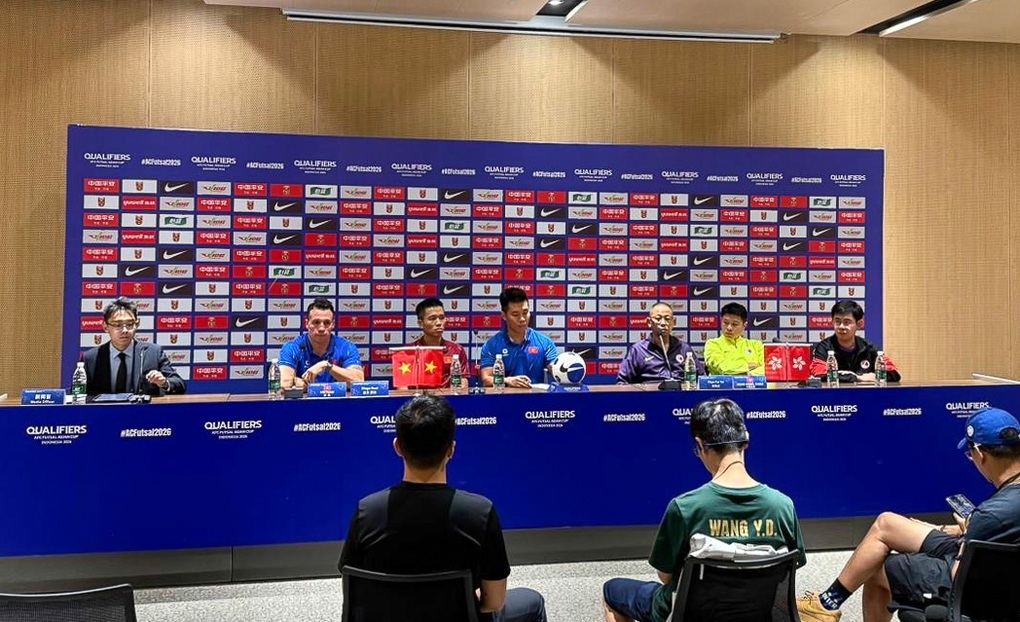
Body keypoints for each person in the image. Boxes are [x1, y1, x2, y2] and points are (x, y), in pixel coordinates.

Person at [796, 407, 1020, 622]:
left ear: (980, 453)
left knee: (874, 568)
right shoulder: (999, 509)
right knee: (887, 523)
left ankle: (828, 604)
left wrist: (969, 533)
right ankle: (826, 603)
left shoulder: (988, 516)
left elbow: (958, 574)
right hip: (987, 553)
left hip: (972, 584)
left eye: (970, 454)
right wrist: (948, 529)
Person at [338, 395, 547, 622]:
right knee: (533, 601)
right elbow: (494, 602)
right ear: (451, 449)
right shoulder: (480, 512)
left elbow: (354, 594)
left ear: (397, 447)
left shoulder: (366, 511)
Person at [603, 398, 805, 622]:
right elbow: (791, 566)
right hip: (758, 614)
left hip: (689, 614)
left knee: (611, 591)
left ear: (700, 445)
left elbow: (666, 577)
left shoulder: (684, 507)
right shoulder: (783, 506)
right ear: (746, 441)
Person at [82, 297, 186, 396]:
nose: (125, 330)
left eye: (129, 324)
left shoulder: (153, 353)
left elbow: (179, 384)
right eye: (117, 325)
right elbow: (79, 394)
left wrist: (164, 383)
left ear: (137, 324)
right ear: (105, 326)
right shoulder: (91, 358)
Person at [480, 287, 558, 388]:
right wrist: (508, 380)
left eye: (525, 313)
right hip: (505, 397)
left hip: (535, 397)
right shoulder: (492, 345)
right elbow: (486, 379)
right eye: (515, 314)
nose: (522, 319)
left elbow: (556, 369)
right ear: (504, 316)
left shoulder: (544, 343)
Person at [278, 297, 363, 388]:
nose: (321, 328)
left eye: (327, 323)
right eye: (316, 322)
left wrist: (327, 366)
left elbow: (358, 381)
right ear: (307, 324)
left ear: (333, 324)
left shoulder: (347, 347)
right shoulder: (292, 348)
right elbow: (284, 384)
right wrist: (316, 387)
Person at [809, 300, 901, 382]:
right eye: (837, 321)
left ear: (859, 324)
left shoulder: (869, 348)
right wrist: (857, 377)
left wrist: (875, 376)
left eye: (847, 322)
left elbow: (894, 374)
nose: (841, 326)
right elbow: (819, 374)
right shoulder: (824, 347)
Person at [616, 302, 705, 384]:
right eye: (658, 319)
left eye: (667, 319)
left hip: (679, 394)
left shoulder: (684, 349)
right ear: (649, 322)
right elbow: (622, 382)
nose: (663, 323)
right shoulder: (638, 350)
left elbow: (701, 378)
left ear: (673, 322)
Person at [410, 297, 469, 388]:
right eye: (432, 318)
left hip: (449, 396)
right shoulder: (409, 352)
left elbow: (463, 381)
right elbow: (402, 387)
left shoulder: (457, 350)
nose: (438, 323)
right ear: (420, 323)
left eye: (442, 318)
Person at [703, 302, 765, 376]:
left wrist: (749, 374)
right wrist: (747, 366)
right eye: (725, 323)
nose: (729, 328)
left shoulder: (756, 345)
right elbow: (723, 367)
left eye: (734, 324)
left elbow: (767, 369)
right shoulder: (712, 344)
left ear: (744, 325)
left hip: (753, 383)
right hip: (722, 383)